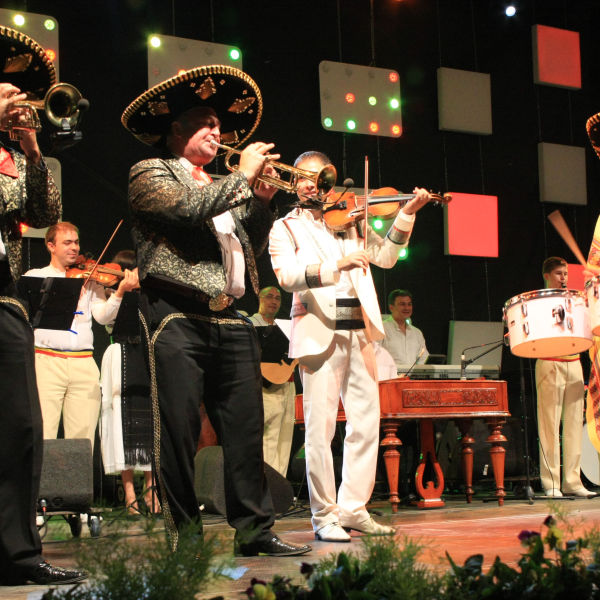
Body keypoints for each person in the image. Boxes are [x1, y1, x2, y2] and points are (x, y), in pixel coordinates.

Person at [122, 65, 310, 556]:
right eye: (205, 123)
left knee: (245, 434)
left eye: (219, 125)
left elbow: (248, 246)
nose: (217, 132)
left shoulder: (224, 185)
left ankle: (254, 531)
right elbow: (186, 210)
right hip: (176, 314)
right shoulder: (150, 172)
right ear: (176, 130)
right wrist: (243, 176)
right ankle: (185, 539)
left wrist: (261, 201)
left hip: (230, 317)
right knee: (179, 433)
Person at [269, 150, 431, 542]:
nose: (312, 185)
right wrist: (335, 267)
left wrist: (407, 214)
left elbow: (387, 257)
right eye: (304, 178)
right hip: (318, 328)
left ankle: (353, 508)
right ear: (293, 182)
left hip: (357, 326)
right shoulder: (284, 227)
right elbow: (287, 276)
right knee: (320, 429)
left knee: (366, 422)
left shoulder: (350, 221)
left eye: (319, 178)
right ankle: (324, 515)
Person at [0, 25, 85, 586]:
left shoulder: (13, 153)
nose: (17, 97)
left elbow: (44, 213)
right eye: (6, 89)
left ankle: (18, 555)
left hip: (4, 297)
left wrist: (32, 150)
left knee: (22, 428)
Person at [25, 222, 139, 449]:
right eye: (67, 242)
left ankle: (77, 475)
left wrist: (120, 292)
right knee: (42, 436)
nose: (74, 248)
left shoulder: (92, 280)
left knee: (82, 442)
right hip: (46, 361)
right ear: (51, 246)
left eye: (76, 242)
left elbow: (103, 317)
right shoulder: (35, 276)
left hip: (84, 363)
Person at [99, 250, 160, 515]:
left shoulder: (148, 295)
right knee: (121, 424)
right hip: (120, 355)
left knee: (148, 423)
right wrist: (122, 290)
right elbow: (104, 319)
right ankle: (129, 493)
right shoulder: (108, 293)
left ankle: (151, 489)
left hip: (145, 356)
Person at [535, 257, 594, 498]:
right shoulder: (538, 301)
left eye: (566, 273)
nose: (564, 278)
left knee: (573, 424)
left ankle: (572, 480)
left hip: (574, 362)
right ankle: (551, 482)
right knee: (549, 425)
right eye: (559, 273)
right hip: (549, 362)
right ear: (547, 276)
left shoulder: (575, 299)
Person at [249, 286, 296, 477]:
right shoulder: (250, 323)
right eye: (269, 297)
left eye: (278, 298)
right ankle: (266, 484)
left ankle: (280, 485)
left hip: (288, 383)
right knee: (269, 437)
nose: (274, 301)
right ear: (259, 299)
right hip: (264, 385)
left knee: (285, 439)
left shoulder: (285, 326)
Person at [381, 289, 429, 368]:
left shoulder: (417, 333)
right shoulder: (381, 328)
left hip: (413, 376)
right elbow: (374, 356)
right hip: (389, 375)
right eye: (402, 304)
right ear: (391, 307)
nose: (407, 308)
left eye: (409, 304)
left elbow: (423, 358)